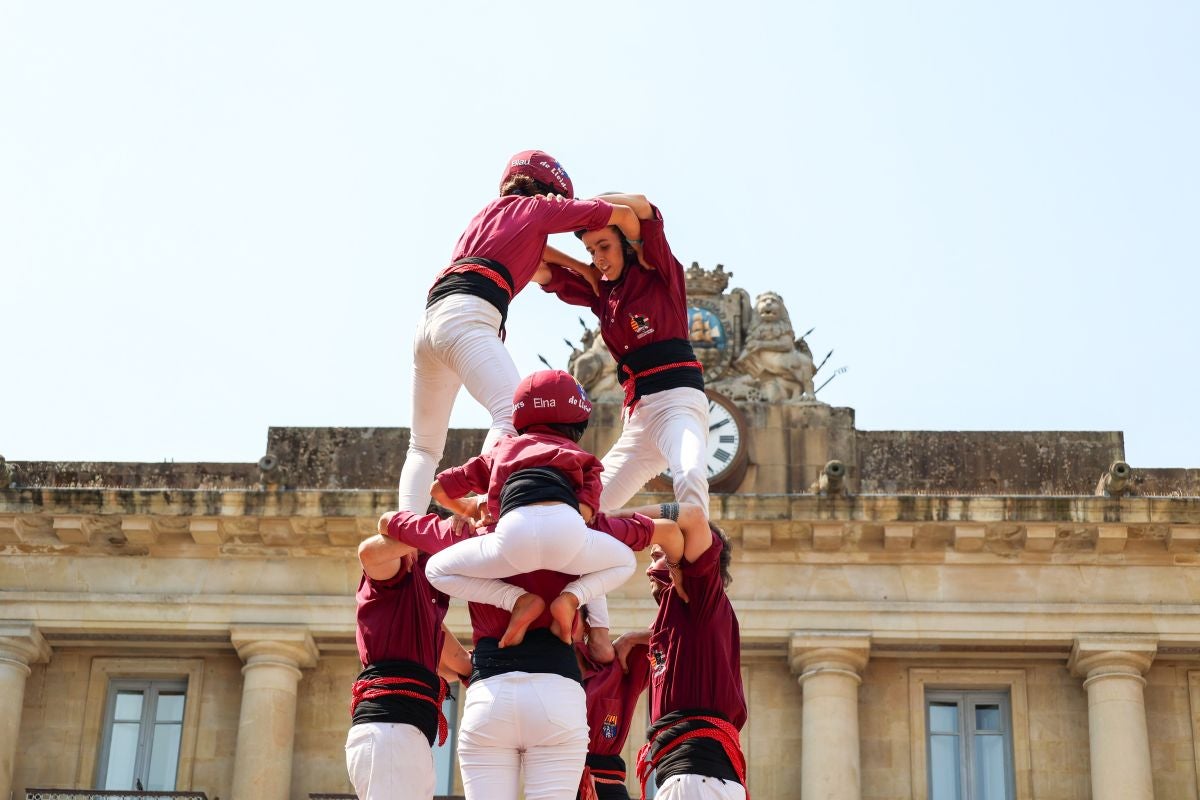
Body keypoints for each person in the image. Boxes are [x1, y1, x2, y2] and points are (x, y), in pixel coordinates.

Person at [397, 152, 645, 514]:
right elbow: (613, 215)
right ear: (548, 192)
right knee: (510, 417)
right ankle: (488, 509)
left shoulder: (485, 216)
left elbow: (538, 249)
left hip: (431, 322)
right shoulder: (538, 208)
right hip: (470, 316)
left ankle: (405, 526)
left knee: (422, 447)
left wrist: (582, 270)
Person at [380, 503, 662, 800]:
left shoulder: (483, 541)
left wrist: (467, 515)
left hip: (494, 693)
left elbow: (390, 521)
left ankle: (520, 600)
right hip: (549, 705)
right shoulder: (570, 547)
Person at [424, 369, 635, 653]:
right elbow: (585, 516)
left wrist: (471, 509)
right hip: (567, 535)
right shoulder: (585, 460)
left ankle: (515, 600)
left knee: (436, 570)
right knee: (625, 562)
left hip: (512, 535)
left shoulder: (502, 451)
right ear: (578, 420)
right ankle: (572, 599)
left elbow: (439, 489)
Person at [536, 194, 709, 517]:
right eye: (591, 250)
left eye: (604, 246)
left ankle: (697, 561)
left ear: (627, 244)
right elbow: (537, 263)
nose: (598, 258)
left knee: (690, 475)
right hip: (639, 418)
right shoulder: (602, 294)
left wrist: (579, 207)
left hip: (677, 403)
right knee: (584, 508)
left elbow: (641, 206)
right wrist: (581, 267)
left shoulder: (656, 270)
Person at [611, 502, 747, 800]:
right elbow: (680, 641)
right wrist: (635, 637)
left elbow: (694, 515)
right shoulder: (687, 617)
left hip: (695, 777)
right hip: (698, 778)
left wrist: (614, 518)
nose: (648, 568)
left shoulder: (698, 593)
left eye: (658, 556)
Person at [344, 510, 473, 800]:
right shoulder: (395, 576)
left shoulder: (422, 606)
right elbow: (369, 553)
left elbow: (455, 658)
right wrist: (441, 533)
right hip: (392, 732)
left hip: (404, 736)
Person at [573, 607, 651, 800]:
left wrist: (629, 638)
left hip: (608, 785)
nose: (560, 622)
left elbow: (677, 633)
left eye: (570, 616)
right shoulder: (538, 674)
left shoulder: (616, 668)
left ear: (587, 628)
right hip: (556, 781)